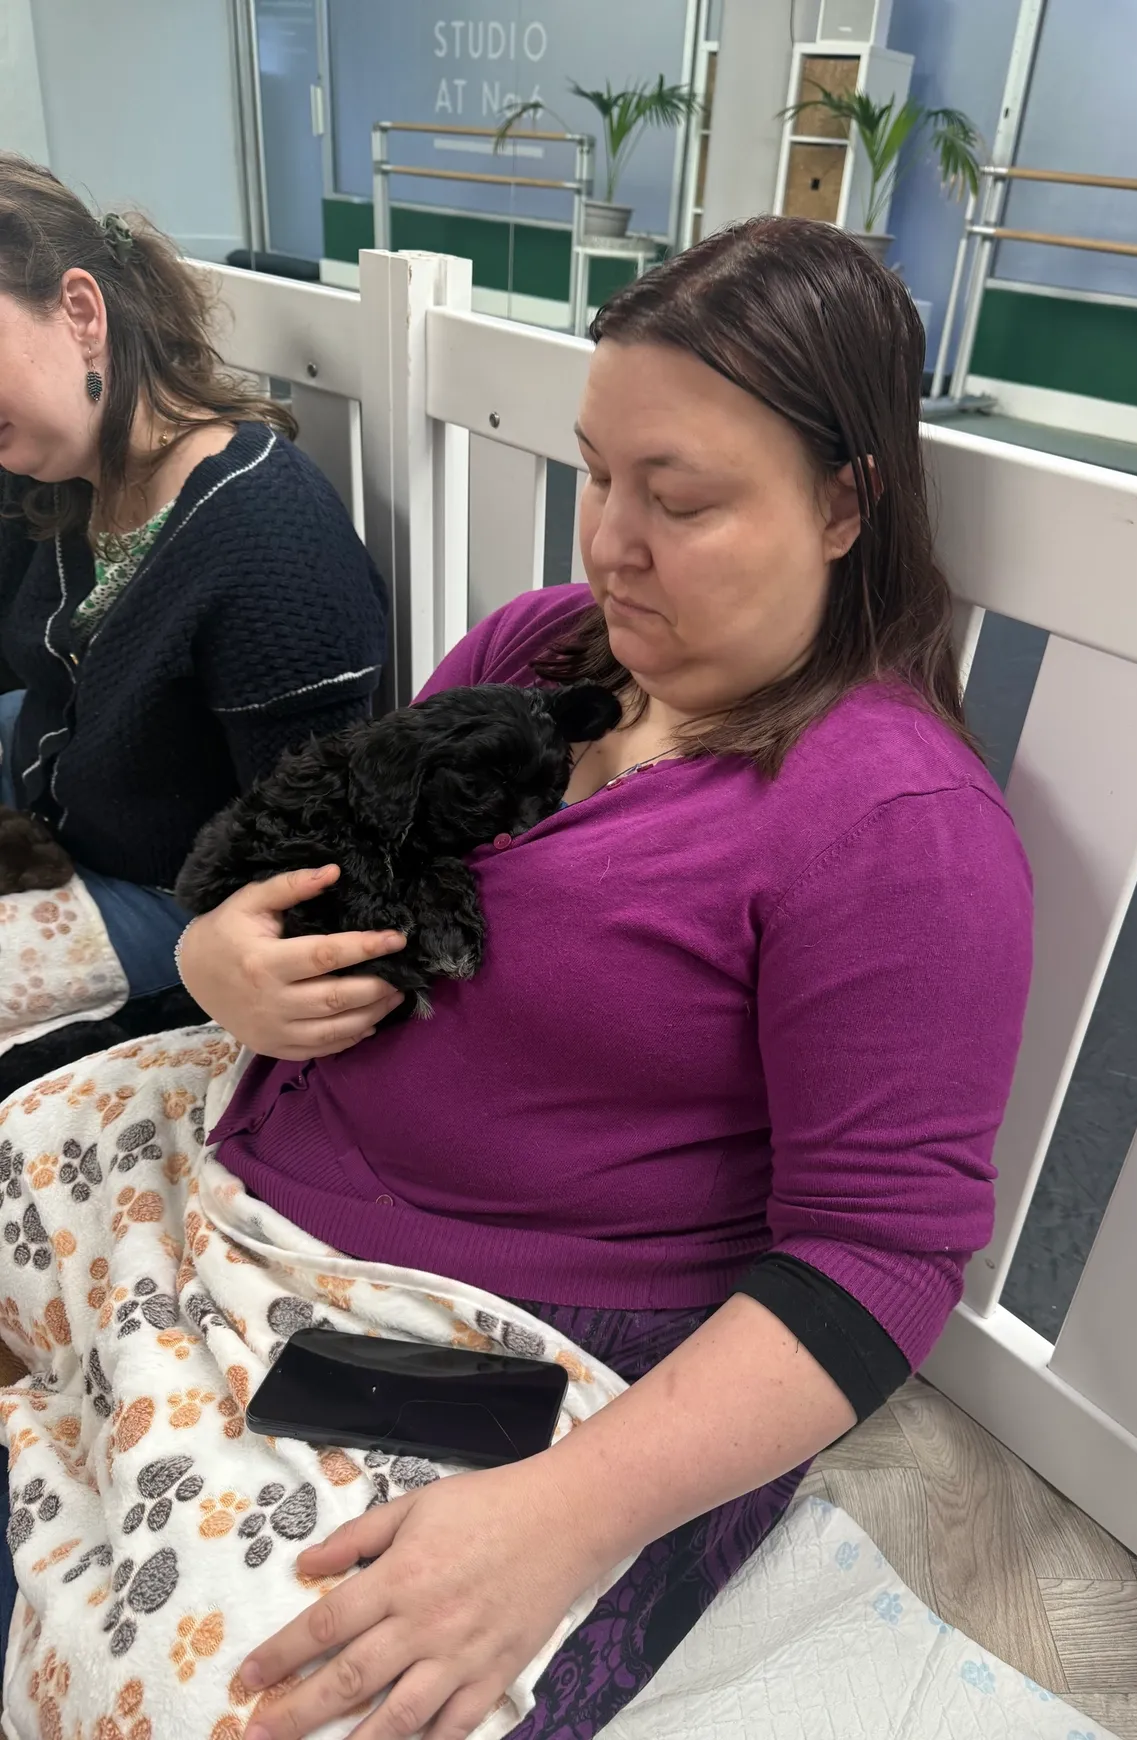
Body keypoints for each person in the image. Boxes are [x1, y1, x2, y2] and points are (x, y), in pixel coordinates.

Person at [0, 216, 1032, 1740]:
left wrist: (561, 1518)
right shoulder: (538, 653)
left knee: (246, 1701)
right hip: (235, 1160)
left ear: (843, 504)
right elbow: (329, 847)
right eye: (597, 473)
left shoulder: (891, 829)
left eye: (674, 500)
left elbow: (876, 1262)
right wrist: (223, 954)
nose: (607, 540)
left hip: (492, 1329)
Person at [0, 154, 388, 1013]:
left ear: (80, 311)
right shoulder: (59, 468)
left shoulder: (270, 551)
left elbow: (309, 874)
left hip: (164, 895)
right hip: (52, 794)